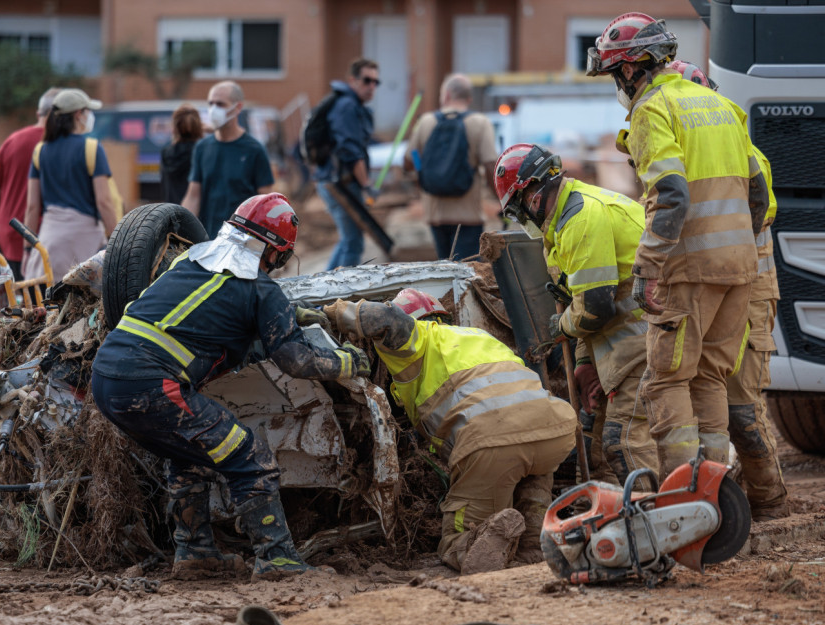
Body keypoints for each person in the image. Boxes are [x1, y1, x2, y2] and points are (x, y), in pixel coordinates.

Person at [91, 193, 370, 581]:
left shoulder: (190, 261)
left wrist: (286, 314)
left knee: (188, 456)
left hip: (105, 378)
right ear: (275, 251)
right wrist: (350, 362)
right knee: (250, 456)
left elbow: (205, 318)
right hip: (153, 385)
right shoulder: (259, 288)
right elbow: (296, 360)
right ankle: (278, 560)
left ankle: (195, 553)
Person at [587, 13, 769, 478]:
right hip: (740, 270)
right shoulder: (721, 107)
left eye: (614, 73)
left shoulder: (653, 109)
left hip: (688, 273)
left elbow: (669, 193)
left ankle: (683, 495)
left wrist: (648, 268)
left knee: (666, 382)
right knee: (710, 378)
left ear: (630, 68)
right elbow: (758, 193)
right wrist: (738, 250)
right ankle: (715, 489)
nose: (618, 84)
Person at [320, 289, 576, 573]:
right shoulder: (477, 337)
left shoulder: (418, 339)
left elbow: (386, 319)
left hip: (493, 439)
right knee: (529, 471)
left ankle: (472, 546)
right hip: (555, 427)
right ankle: (534, 544)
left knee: (457, 536)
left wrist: (332, 313)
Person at [666, 60, 788, 520]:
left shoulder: (747, 156)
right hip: (712, 283)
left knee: (740, 407)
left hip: (750, 287)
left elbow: (759, 209)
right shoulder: (684, 159)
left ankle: (768, 500)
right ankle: (715, 497)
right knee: (699, 390)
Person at [493, 143, 657, 485]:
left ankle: (655, 523)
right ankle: (612, 508)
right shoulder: (563, 221)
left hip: (649, 341)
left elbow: (595, 307)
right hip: (625, 342)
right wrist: (584, 364)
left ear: (532, 199)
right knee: (589, 434)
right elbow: (578, 300)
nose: (521, 221)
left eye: (517, 212)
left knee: (622, 441)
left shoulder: (582, 219)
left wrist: (562, 329)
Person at [23, 88, 118, 285]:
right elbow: (104, 202)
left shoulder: (40, 151)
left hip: (49, 245)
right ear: (78, 114)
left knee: (50, 310)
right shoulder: (91, 148)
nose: (89, 116)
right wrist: (119, 242)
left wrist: (27, 249)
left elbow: (32, 207)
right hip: (85, 246)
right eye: (87, 111)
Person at [404, 74, 498, 260]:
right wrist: (500, 199)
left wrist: (421, 173)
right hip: (468, 216)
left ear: (446, 95)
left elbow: (409, 158)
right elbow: (490, 164)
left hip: (435, 214)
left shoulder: (425, 121)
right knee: (468, 274)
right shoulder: (480, 123)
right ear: (469, 98)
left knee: (444, 271)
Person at [0, 88, 60, 280]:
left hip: (12, 237)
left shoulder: (12, 142)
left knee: (19, 304)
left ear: (38, 113)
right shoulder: (61, 144)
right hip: (49, 239)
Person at [181, 82, 274, 238]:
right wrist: (180, 227)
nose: (214, 109)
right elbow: (193, 196)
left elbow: (266, 204)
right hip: (207, 241)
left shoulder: (254, 150)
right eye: (211, 104)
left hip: (240, 243)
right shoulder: (202, 148)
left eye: (220, 104)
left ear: (237, 108)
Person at [315, 58, 379, 269]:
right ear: (353, 80)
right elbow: (351, 151)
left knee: (347, 239)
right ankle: (338, 295)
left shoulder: (350, 105)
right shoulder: (347, 107)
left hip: (335, 181)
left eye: (375, 82)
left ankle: (322, 292)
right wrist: (367, 186)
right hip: (339, 184)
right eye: (367, 80)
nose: (371, 86)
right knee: (353, 241)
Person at [161, 104, 204, 205]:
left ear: (174, 128)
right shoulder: (202, 152)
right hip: (196, 215)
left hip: (171, 212)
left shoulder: (166, 153)